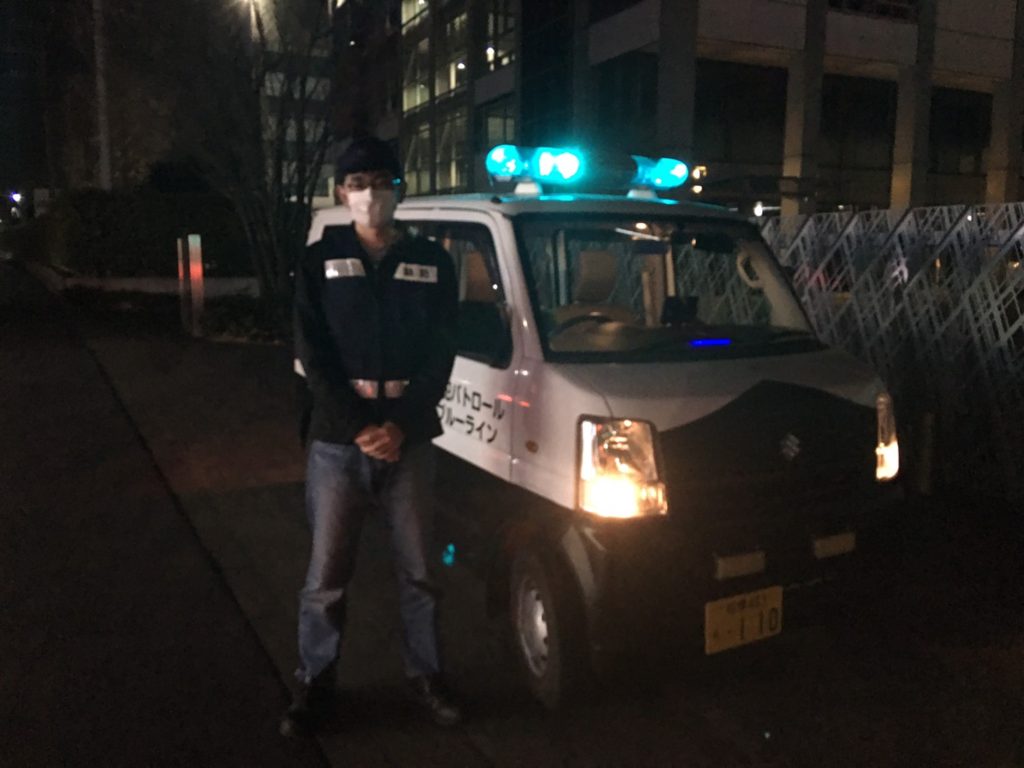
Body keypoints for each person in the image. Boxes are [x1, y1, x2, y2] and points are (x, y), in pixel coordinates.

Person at [281, 137, 461, 738]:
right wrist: (360, 426)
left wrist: (400, 424)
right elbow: (312, 353)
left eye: (382, 181)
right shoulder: (319, 260)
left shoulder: (433, 261)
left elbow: (441, 353)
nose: (370, 193)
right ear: (341, 192)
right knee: (325, 577)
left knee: (420, 572)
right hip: (338, 442)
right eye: (358, 182)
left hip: (409, 438)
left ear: (399, 189)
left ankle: (427, 676)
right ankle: (315, 681)